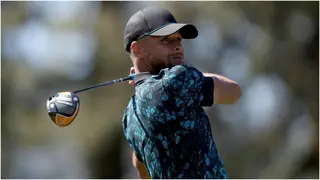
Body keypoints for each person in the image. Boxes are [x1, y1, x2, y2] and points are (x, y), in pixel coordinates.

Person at [122, 7, 242, 179]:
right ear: (137, 49)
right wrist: (195, 76)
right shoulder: (178, 79)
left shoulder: (129, 116)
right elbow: (233, 91)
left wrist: (146, 81)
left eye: (178, 39)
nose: (177, 45)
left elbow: (138, 163)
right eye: (166, 40)